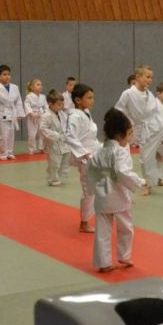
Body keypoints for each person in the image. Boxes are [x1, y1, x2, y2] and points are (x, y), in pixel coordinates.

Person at [87, 109, 147, 273]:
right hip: (117, 195)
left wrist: (91, 190)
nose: (130, 138)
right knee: (126, 228)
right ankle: (124, 255)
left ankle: (103, 263)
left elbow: (90, 171)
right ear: (120, 135)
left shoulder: (100, 150)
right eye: (129, 134)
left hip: (102, 193)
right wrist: (140, 182)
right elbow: (122, 172)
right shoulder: (119, 151)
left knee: (102, 231)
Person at [115, 65, 163, 196]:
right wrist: (126, 124)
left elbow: (155, 112)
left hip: (149, 127)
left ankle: (149, 183)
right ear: (137, 77)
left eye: (151, 77)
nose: (150, 80)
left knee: (147, 157)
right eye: (147, 77)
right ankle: (125, 185)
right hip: (132, 128)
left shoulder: (149, 94)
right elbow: (118, 109)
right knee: (126, 158)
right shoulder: (128, 93)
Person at [64, 84, 101, 232]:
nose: (92, 100)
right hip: (85, 157)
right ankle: (84, 222)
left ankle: (99, 214)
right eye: (89, 98)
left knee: (97, 186)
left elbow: (90, 136)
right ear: (78, 100)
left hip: (93, 152)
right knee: (88, 189)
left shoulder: (85, 112)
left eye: (93, 97)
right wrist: (84, 153)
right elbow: (70, 136)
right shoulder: (74, 116)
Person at [0, 64, 25, 160]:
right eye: (4, 74)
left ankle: (9, 152)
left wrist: (20, 113)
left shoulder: (15, 87)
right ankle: (2, 153)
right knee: (2, 135)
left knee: (11, 135)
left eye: (8, 74)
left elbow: (18, 101)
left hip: (12, 113)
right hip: (2, 113)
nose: (7, 76)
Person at [39, 90, 72, 187]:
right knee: (55, 162)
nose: (61, 106)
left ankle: (60, 176)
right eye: (58, 104)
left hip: (64, 140)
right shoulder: (46, 116)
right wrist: (55, 135)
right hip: (53, 142)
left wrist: (68, 133)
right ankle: (53, 179)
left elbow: (67, 125)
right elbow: (43, 128)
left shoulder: (62, 114)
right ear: (50, 104)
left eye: (62, 104)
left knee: (66, 158)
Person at [24, 78, 48, 155]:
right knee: (32, 134)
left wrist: (46, 113)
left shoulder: (43, 96)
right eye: (38, 84)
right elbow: (26, 105)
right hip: (32, 117)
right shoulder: (29, 96)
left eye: (41, 85)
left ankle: (42, 148)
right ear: (32, 87)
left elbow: (46, 106)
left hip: (41, 116)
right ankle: (32, 149)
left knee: (43, 133)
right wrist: (31, 113)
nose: (40, 86)